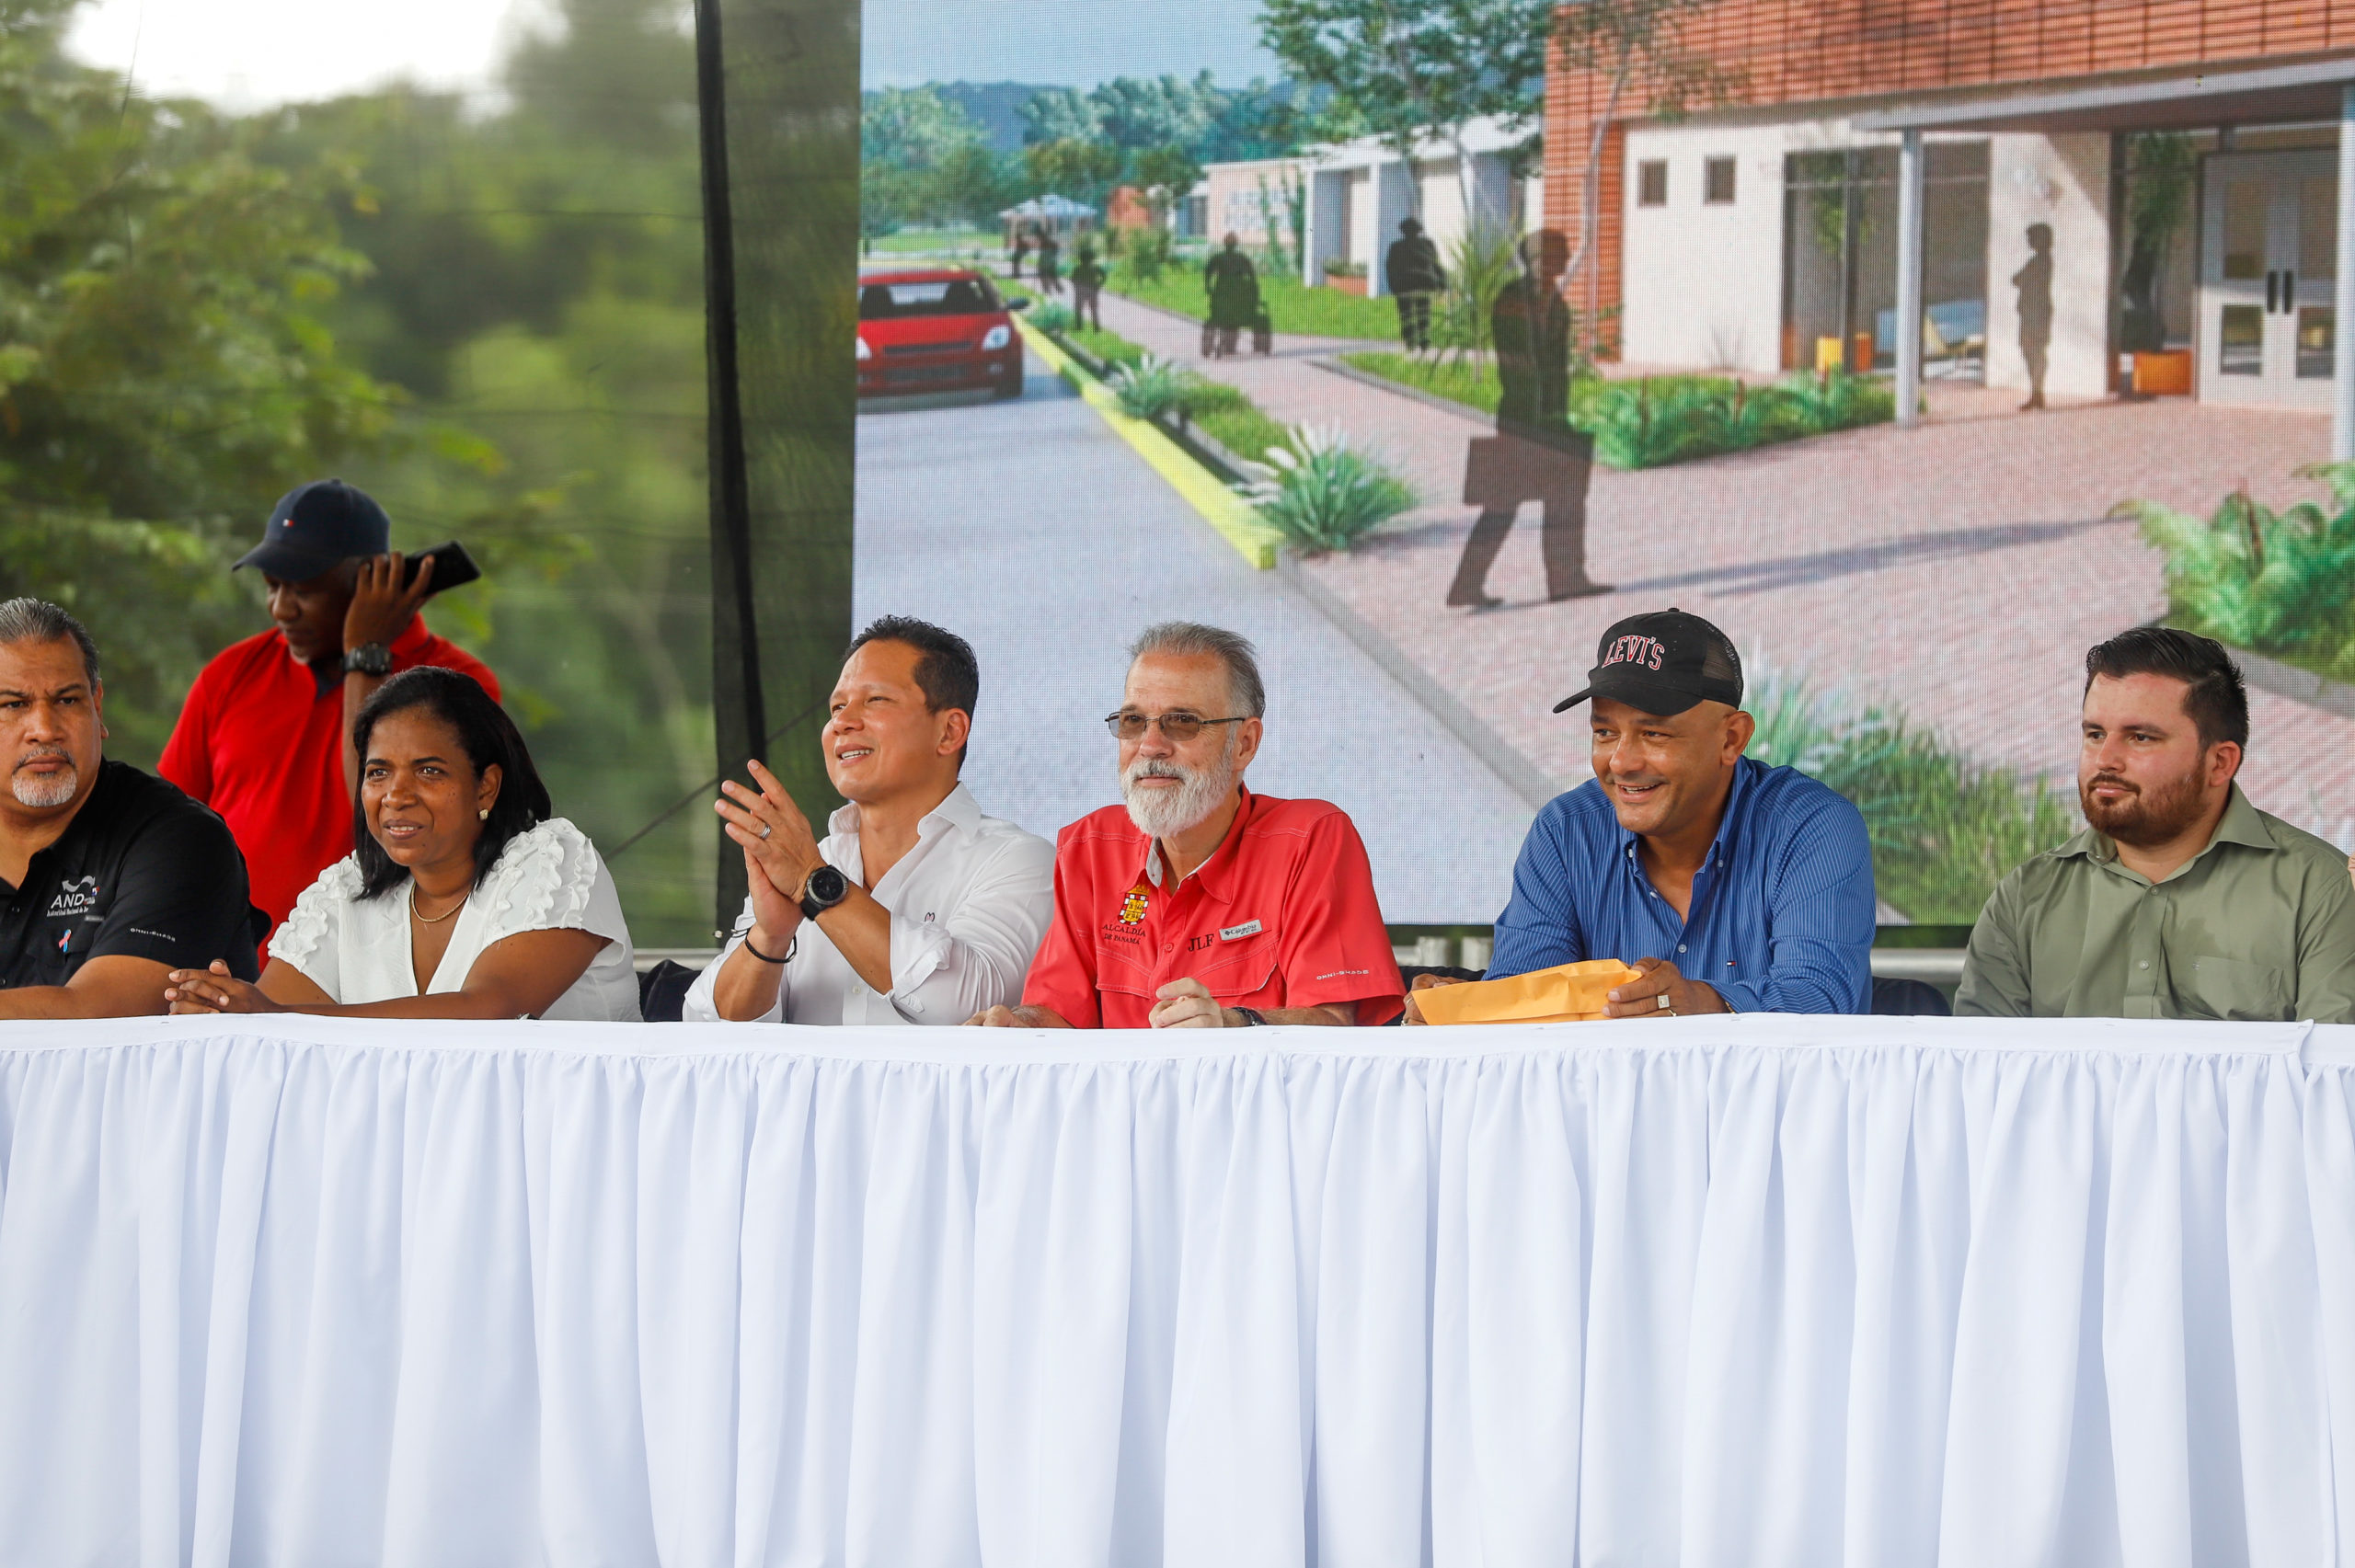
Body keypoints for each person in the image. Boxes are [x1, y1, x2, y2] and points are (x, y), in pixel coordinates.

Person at [1413, 608, 1874, 1020]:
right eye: (1605, 732)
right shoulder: (1567, 829)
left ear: (1731, 739)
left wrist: (1701, 1002)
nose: (1620, 762)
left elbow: (1821, 999)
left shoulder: (1811, 825)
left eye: (1654, 734)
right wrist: (1472, 1010)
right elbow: (1534, 995)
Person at [970, 622, 1404, 1030]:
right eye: (1133, 722)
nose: (1151, 745)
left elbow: (1335, 1023)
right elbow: (1059, 1013)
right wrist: (1018, 1026)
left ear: (1245, 743)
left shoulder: (1310, 837)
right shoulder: (1089, 845)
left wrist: (1236, 1025)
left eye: (1182, 722)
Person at [164, 667, 638, 1021]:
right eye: (378, 772)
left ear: (486, 787)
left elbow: (490, 1013)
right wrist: (221, 1010)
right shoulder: (347, 889)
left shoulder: (551, 859)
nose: (396, 796)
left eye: (429, 771)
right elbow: (270, 1011)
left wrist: (273, 1019)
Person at [1957, 628, 2355, 1021]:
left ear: (2219, 763)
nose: (2105, 759)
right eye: (2095, 734)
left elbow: (2332, 1075)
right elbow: (1982, 1074)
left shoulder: (2319, 889)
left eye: (2141, 738)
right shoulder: (2027, 896)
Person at [161, 478, 500, 941]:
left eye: (302, 589)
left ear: (373, 580)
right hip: (231, 970)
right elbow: (170, 830)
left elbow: (375, 815)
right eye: (272, 586)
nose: (281, 609)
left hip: (373, 973)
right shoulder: (231, 673)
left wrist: (365, 655)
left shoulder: (457, 683)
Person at [685, 616, 1053, 1024]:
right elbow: (706, 1027)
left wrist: (818, 886)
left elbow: (965, 1007)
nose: (842, 722)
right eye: (837, 706)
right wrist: (769, 937)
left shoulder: (1019, 860)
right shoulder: (809, 862)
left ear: (950, 732)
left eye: (875, 700)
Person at [0, 599, 259, 1018]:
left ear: (97, 706)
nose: (45, 730)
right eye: (13, 705)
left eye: (67, 701)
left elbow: (100, 1015)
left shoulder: (179, 838)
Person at [1447, 231, 1609, 608]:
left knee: (1566, 499)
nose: (1564, 261)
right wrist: (1533, 424)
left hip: (1551, 419)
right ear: (1534, 259)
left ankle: (1566, 578)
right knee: (1502, 504)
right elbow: (1519, 367)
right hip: (1521, 419)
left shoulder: (1557, 304)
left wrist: (1557, 418)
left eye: (1564, 255)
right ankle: (1466, 585)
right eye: (1555, 255)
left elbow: (1556, 369)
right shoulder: (1512, 300)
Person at [1384, 216, 1447, 352]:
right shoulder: (1428, 244)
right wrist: (1443, 283)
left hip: (1404, 286)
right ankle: (1424, 342)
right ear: (1419, 231)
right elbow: (1436, 265)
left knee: (1406, 315)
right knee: (1424, 313)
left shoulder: (1396, 247)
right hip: (1424, 284)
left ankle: (1410, 342)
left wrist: (1394, 286)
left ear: (1403, 231)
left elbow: (1390, 268)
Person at [2014, 223, 2053, 411]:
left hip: (2036, 314)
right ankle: (2036, 392)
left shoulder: (2040, 261)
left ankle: (2037, 392)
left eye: (2032, 238)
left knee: (2035, 352)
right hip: (2031, 312)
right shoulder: (2038, 261)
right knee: (2030, 351)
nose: (2030, 242)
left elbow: (2019, 279)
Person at [1203, 234, 1260, 358]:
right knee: (1234, 317)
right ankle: (1229, 346)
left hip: (1222, 291)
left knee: (1218, 315)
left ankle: (1226, 345)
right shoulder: (1241, 258)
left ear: (1225, 244)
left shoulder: (1218, 258)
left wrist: (1208, 287)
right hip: (1237, 293)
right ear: (1235, 244)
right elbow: (1251, 275)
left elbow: (1208, 272)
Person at [1069, 240, 1108, 332]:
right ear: (1092, 258)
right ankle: (1096, 327)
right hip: (1093, 289)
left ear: (1081, 258)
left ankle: (1079, 327)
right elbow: (1104, 276)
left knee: (1078, 309)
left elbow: (1072, 279)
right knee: (1094, 309)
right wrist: (1099, 284)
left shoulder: (1078, 268)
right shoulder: (1095, 267)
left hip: (1081, 290)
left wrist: (1076, 286)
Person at [1035, 227, 1063, 296]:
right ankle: (1051, 293)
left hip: (1048, 266)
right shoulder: (1044, 244)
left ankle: (1058, 291)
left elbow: (1054, 253)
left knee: (1052, 280)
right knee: (1048, 281)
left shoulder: (1049, 244)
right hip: (1046, 265)